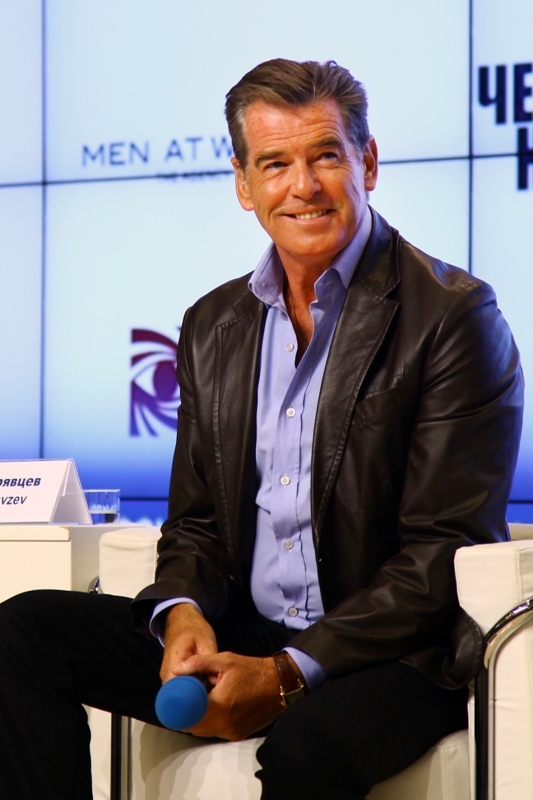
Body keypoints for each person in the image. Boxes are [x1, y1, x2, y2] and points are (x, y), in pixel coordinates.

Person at [0, 59, 524, 800]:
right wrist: (181, 614)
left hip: (397, 651)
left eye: (325, 156)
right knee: (22, 633)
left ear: (367, 164)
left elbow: (443, 550)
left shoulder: (454, 317)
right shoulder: (213, 324)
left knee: (306, 748)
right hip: (250, 628)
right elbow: (196, 524)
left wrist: (286, 674)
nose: (302, 186)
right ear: (244, 185)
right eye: (275, 164)